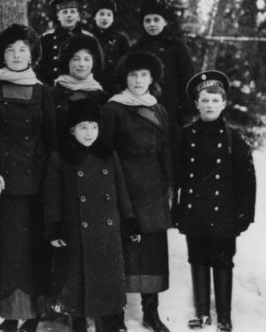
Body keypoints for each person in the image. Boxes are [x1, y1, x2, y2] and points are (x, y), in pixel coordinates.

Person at [0, 24, 56, 332]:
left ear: (32, 54)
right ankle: (8, 314)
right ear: (1, 56)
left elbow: (51, 141)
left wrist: (44, 179)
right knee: (5, 252)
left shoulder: (43, 90)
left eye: (22, 50)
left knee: (32, 251)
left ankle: (31, 315)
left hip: (33, 186)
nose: (17, 55)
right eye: (10, 50)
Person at [43, 98, 137, 332]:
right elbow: (52, 198)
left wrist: (129, 221)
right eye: (83, 127)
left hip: (108, 233)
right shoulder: (60, 158)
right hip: (76, 233)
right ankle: (79, 327)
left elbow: (121, 191)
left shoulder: (108, 155)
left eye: (94, 127)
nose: (89, 133)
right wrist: (54, 227)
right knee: (78, 290)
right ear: (72, 129)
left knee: (108, 288)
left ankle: (111, 326)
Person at [174, 70, 256, 332]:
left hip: (224, 213)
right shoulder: (186, 135)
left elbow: (247, 181)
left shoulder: (234, 137)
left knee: (222, 261)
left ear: (223, 104)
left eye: (214, 100)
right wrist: (176, 209)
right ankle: (201, 313)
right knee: (197, 258)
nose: (209, 105)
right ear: (196, 104)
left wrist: (244, 215)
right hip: (195, 210)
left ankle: (224, 317)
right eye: (204, 100)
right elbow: (177, 176)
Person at [101, 51, 173, 332]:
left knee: (152, 252)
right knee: (123, 250)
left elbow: (165, 150)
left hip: (153, 189)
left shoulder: (159, 109)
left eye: (144, 75)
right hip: (124, 184)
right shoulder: (113, 108)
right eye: (133, 75)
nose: (139, 80)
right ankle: (115, 316)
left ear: (152, 78)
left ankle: (150, 313)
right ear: (125, 78)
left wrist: (169, 184)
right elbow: (105, 151)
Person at [131, 0, 194, 128]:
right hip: (142, 106)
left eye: (156, 19)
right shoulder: (137, 47)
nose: (152, 24)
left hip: (171, 107)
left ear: (165, 22)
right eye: (147, 20)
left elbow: (188, 77)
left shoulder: (177, 46)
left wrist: (187, 110)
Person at [53, 34, 108, 149]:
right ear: (67, 61)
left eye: (87, 59)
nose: (82, 64)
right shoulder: (53, 93)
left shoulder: (101, 96)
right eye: (76, 59)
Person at [36, 0, 101, 86]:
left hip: (83, 88)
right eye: (64, 12)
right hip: (53, 89)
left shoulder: (89, 39)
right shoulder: (47, 39)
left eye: (72, 12)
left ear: (78, 16)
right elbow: (40, 69)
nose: (69, 15)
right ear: (58, 16)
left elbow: (98, 68)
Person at [90, 0, 129, 95]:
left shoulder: (121, 39)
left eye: (109, 15)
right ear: (95, 17)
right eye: (101, 14)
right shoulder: (88, 37)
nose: (105, 18)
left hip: (114, 87)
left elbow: (127, 64)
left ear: (113, 18)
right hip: (91, 85)